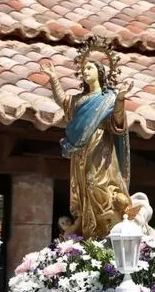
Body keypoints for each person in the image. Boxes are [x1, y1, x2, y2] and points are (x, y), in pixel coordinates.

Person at [41, 56, 135, 239]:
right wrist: (53, 78)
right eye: (83, 69)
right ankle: (89, 231)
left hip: (101, 147)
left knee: (98, 184)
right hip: (81, 150)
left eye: (89, 68)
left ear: (100, 73)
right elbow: (63, 101)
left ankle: (106, 229)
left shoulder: (109, 98)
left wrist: (121, 98)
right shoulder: (79, 99)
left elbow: (118, 121)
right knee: (84, 187)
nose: (85, 71)